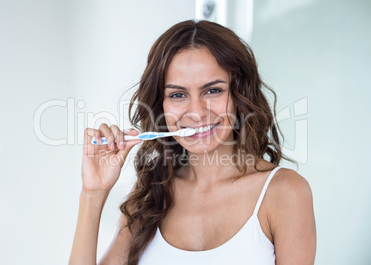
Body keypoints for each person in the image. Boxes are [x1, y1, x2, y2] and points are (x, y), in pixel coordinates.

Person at [69, 20, 316, 265]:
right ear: (161, 106)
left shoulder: (284, 192)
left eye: (212, 91)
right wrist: (93, 194)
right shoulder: (148, 196)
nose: (196, 112)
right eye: (178, 95)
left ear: (239, 93)